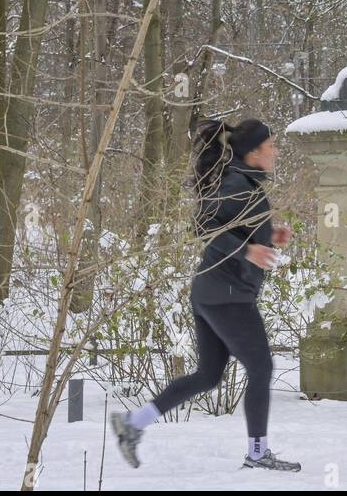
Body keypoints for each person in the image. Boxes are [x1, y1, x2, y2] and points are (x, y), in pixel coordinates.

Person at [110, 118, 301, 472]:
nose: (276, 151)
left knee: (209, 375)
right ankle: (258, 453)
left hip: (213, 292)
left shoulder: (246, 184)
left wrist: (268, 237)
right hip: (227, 294)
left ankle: (133, 424)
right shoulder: (237, 184)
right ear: (255, 152)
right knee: (261, 367)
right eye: (271, 145)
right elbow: (203, 225)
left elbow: (232, 227)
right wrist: (248, 253)